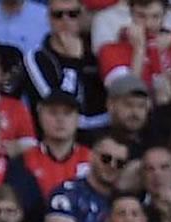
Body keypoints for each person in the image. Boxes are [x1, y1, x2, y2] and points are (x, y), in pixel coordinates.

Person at [24, 0, 109, 139]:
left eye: (72, 14)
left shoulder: (96, 52)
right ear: (48, 18)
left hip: (103, 134)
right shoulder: (36, 58)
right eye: (58, 15)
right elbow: (59, 105)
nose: (65, 20)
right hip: (59, 137)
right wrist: (72, 63)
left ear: (82, 16)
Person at [44, 132, 131, 222]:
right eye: (106, 159)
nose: (112, 166)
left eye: (119, 163)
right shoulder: (66, 195)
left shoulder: (125, 200)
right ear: (91, 156)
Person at [21, 92, 92, 200]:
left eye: (67, 113)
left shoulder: (92, 159)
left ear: (78, 119)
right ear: (40, 116)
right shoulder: (25, 159)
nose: (60, 119)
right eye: (53, 113)